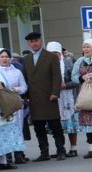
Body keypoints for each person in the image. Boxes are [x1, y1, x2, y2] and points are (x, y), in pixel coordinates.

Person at [20, 30, 65, 160]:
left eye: (36, 41)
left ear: (41, 41)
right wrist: (25, 96)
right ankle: (44, 152)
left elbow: (57, 77)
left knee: (55, 125)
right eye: (31, 41)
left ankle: (60, 150)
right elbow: (25, 78)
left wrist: (55, 93)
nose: (34, 43)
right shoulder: (26, 59)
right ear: (29, 43)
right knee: (39, 127)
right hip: (34, 98)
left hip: (49, 96)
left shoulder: (51, 56)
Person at [0, 50, 22, 171]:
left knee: (4, 134)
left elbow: (6, 85)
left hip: (2, 107)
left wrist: (3, 86)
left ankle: (4, 161)